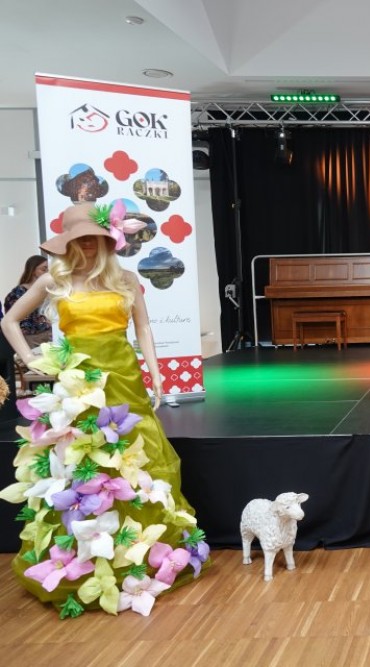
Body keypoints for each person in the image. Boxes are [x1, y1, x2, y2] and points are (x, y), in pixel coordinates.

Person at [0, 202, 209, 616]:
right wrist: (31, 358)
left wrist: (156, 372)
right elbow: (10, 320)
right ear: (68, 244)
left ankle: (141, 552)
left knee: (137, 455)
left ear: (108, 241)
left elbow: (143, 327)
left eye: (95, 239)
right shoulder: (54, 281)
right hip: (79, 382)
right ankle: (87, 555)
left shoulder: (125, 279)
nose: (88, 247)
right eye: (80, 240)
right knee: (85, 458)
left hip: (124, 377)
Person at [3, 255, 52, 349]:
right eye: (43, 269)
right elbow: (12, 318)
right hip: (29, 337)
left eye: (48, 270)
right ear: (32, 270)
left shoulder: (48, 290)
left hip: (48, 334)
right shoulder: (18, 293)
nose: (47, 272)